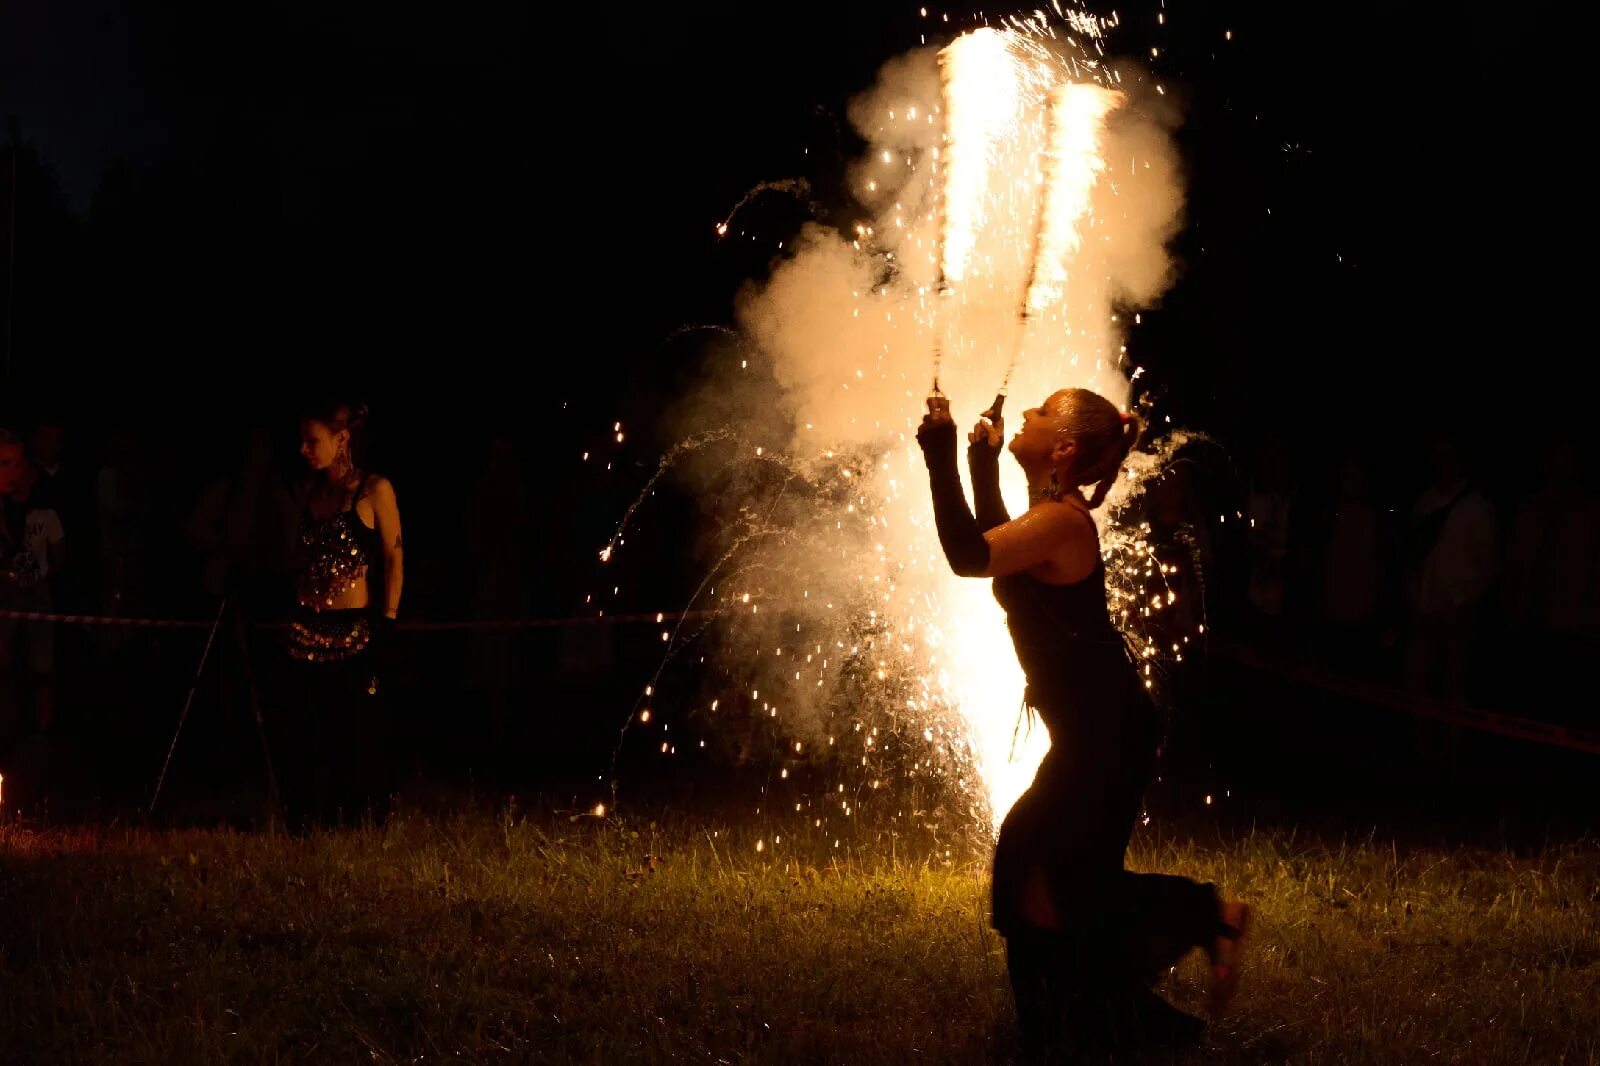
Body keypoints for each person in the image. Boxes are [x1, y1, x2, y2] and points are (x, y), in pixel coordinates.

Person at [917, 389, 1249, 1059]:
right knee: (1037, 873)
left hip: (1108, 734)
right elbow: (996, 554)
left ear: (1064, 449)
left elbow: (967, 556)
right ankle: (1076, 1025)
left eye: (1040, 414)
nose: (1027, 417)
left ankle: (1207, 916)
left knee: (1060, 880)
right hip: (1091, 732)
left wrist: (940, 455)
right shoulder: (1045, 519)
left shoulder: (1064, 524)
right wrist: (983, 468)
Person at [280, 402, 403, 828]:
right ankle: (310, 816)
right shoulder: (310, 494)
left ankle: (359, 816)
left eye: (313, 441)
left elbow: (393, 557)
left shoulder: (373, 490)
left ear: (342, 439)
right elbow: (295, 557)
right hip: (306, 626)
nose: (304, 450)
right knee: (308, 730)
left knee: (352, 729)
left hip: (354, 629)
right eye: (302, 441)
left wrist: (386, 619)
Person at [0, 438, 66, 737]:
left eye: (18, 465)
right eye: (5, 464)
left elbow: (58, 555)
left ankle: (40, 728)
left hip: (35, 589)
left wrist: (39, 574)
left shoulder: (40, 514)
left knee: (41, 662)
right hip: (7, 592)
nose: (14, 473)